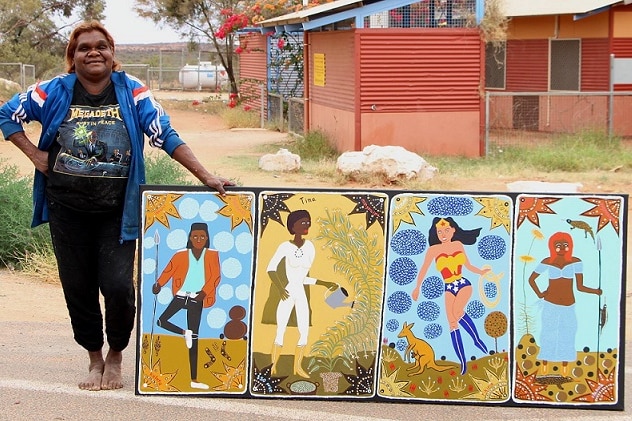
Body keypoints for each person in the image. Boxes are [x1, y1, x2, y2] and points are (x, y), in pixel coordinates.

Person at [0, 21, 233, 391]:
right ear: (72, 57)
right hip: (66, 209)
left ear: (112, 54)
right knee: (77, 287)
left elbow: (164, 133)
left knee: (118, 287)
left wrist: (205, 176)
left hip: (117, 211)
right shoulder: (52, 91)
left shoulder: (133, 92)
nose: (93, 52)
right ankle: (94, 356)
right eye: (83, 48)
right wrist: (36, 156)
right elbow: (7, 115)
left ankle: (117, 353)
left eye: (101, 46)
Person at [262, 209, 337, 377]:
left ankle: (298, 367)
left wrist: (325, 283)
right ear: (293, 226)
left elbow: (302, 278)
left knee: (304, 330)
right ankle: (273, 366)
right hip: (287, 292)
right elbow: (271, 269)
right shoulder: (285, 247)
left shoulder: (310, 247)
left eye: (308, 221)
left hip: (300, 293)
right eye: (303, 222)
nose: (307, 225)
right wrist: (281, 289)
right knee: (281, 329)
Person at [412, 217, 490, 375]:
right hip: (448, 288)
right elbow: (424, 269)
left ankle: (476, 340)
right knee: (452, 323)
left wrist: (481, 272)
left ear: (454, 230)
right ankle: (463, 362)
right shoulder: (433, 250)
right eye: (439, 231)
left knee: (456, 311)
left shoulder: (458, 245)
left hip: (463, 284)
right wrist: (417, 287)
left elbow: (468, 265)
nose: (443, 234)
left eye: (447, 230)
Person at [152, 223, 221, 390]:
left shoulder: (212, 255)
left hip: (197, 297)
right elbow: (169, 270)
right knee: (161, 321)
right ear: (190, 237)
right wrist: (159, 284)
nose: (199, 239)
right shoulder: (181, 255)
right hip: (181, 295)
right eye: (195, 236)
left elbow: (215, 276)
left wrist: (203, 294)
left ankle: (194, 379)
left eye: (202, 237)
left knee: (195, 339)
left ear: (207, 238)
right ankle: (185, 333)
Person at [528, 231, 601, 376]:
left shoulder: (575, 262)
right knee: (548, 333)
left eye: (565, 245)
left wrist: (595, 291)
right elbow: (531, 279)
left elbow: (580, 287)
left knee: (567, 333)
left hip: (569, 304)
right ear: (552, 246)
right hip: (550, 303)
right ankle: (544, 367)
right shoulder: (547, 261)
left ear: (570, 246)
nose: (562, 248)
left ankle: (565, 370)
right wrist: (540, 294)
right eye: (558, 245)